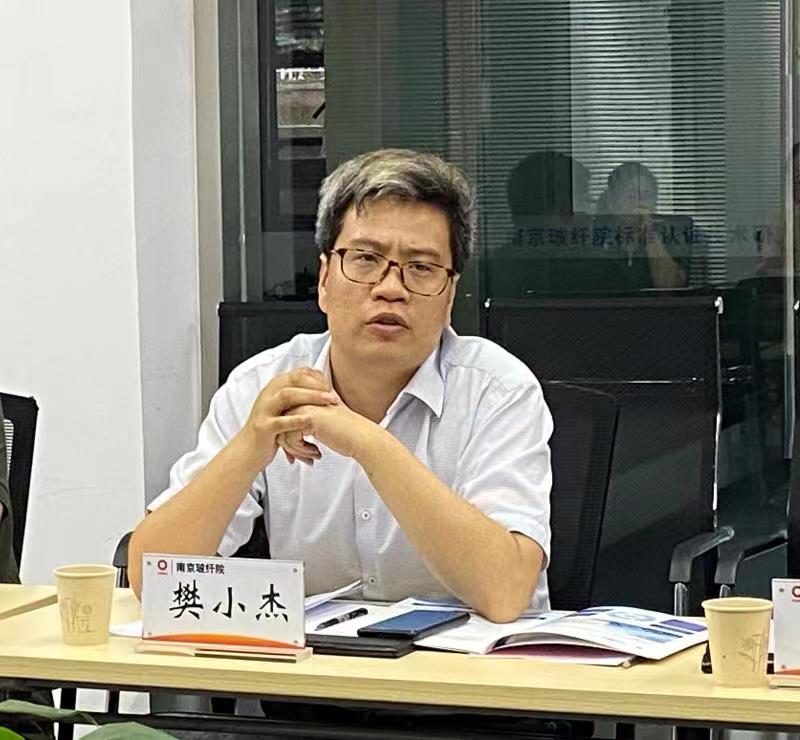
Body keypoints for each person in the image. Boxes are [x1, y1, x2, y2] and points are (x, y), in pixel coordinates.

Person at [128, 148, 552, 623]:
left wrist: (369, 444)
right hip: (316, 666)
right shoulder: (262, 386)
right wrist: (249, 448)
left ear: (449, 294)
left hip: (468, 669)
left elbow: (505, 593)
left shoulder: (498, 391)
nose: (391, 288)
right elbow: (153, 580)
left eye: (421, 267)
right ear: (325, 279)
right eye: (366, 259)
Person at [594, 162, 690, 289]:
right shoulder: (596, 235)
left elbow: (669, 286)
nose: (639, 204)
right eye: (631, 196)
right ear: (614, 202)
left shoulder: (673, 234)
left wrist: (649, 232)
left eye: (646, 196)